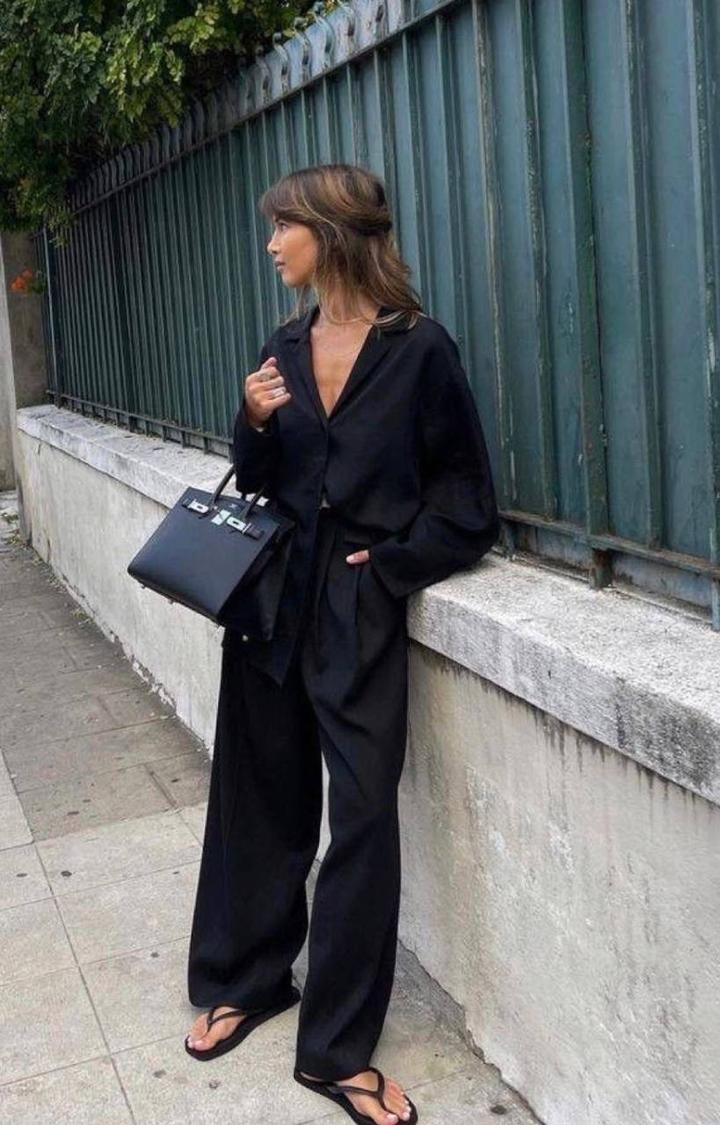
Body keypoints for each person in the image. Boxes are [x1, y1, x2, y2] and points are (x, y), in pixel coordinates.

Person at [184, 163, 500, 1125]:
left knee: (361, 816)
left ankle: (336, 1048)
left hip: (356, 604)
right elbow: (258, 476)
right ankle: (249, 977)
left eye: (282, 225)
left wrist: (392, 566)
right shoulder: (284, 344)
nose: (271, 244)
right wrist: (253, 420)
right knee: (259, 791)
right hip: (271, 595)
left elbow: (467, 501)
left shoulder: (419, 349)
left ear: (327, 231)